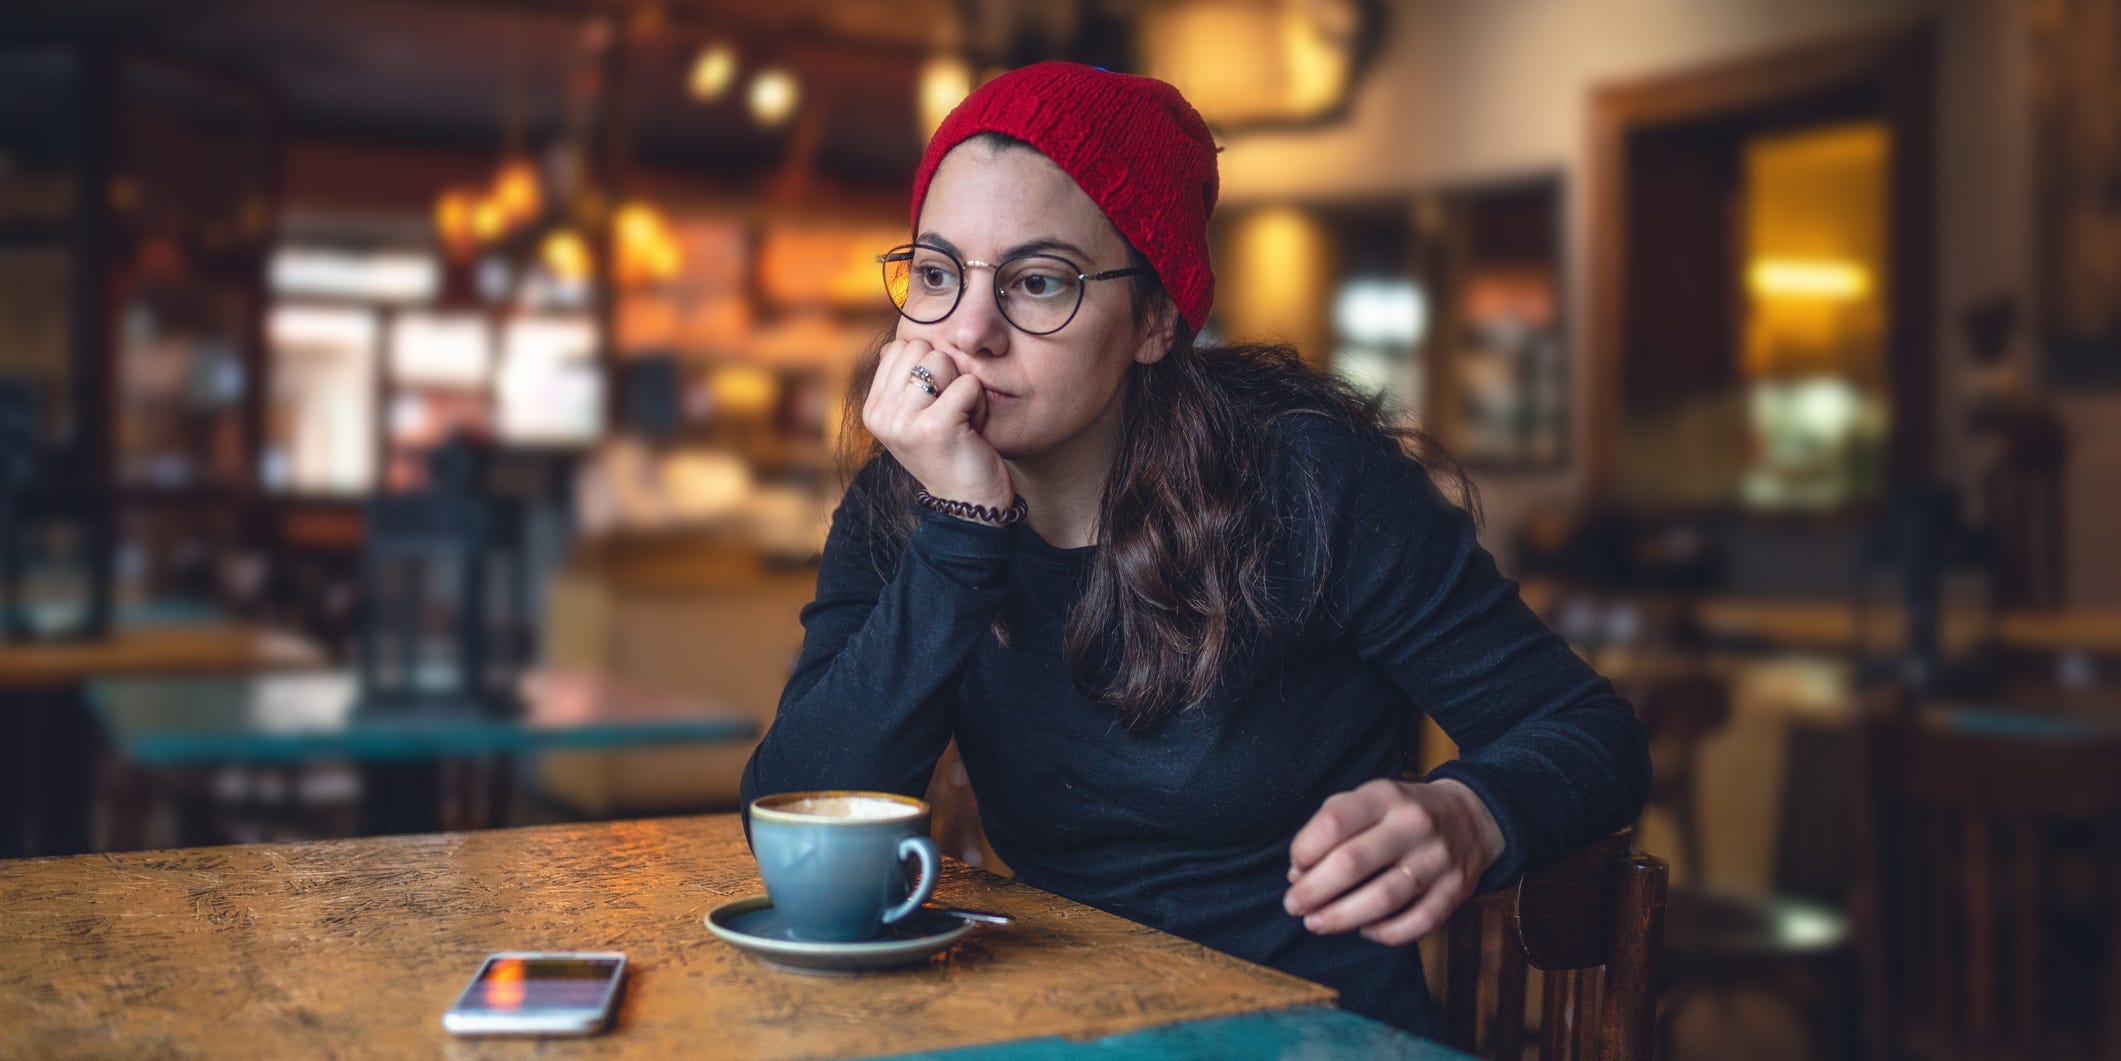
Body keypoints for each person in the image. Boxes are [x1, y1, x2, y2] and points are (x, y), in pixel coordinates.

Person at [741, 61, 1649, 1036]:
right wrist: (959, 533)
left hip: (1313, 1032)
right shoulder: (907, 495)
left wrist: (1473, 814)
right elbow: (792, 811)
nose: (968, 332)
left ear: (1156, 320)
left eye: (1039, 281)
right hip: (1056, 1027)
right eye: (934, 273)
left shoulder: (1305, 481)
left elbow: (1590, 730)